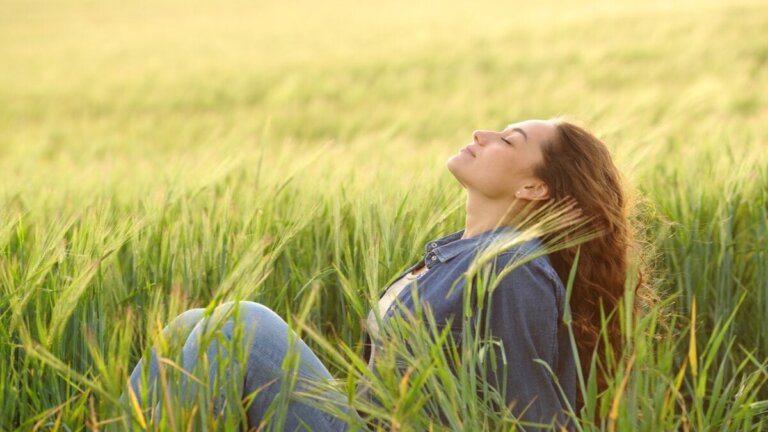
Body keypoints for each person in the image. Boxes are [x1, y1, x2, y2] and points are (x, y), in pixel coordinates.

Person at [120, 118, 645, 431]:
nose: (482, 134)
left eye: (508, 141)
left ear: (533, 187)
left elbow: (527, 411)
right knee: (193, 326)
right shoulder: (458, 253)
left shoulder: (512, 269)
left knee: (242, 325)